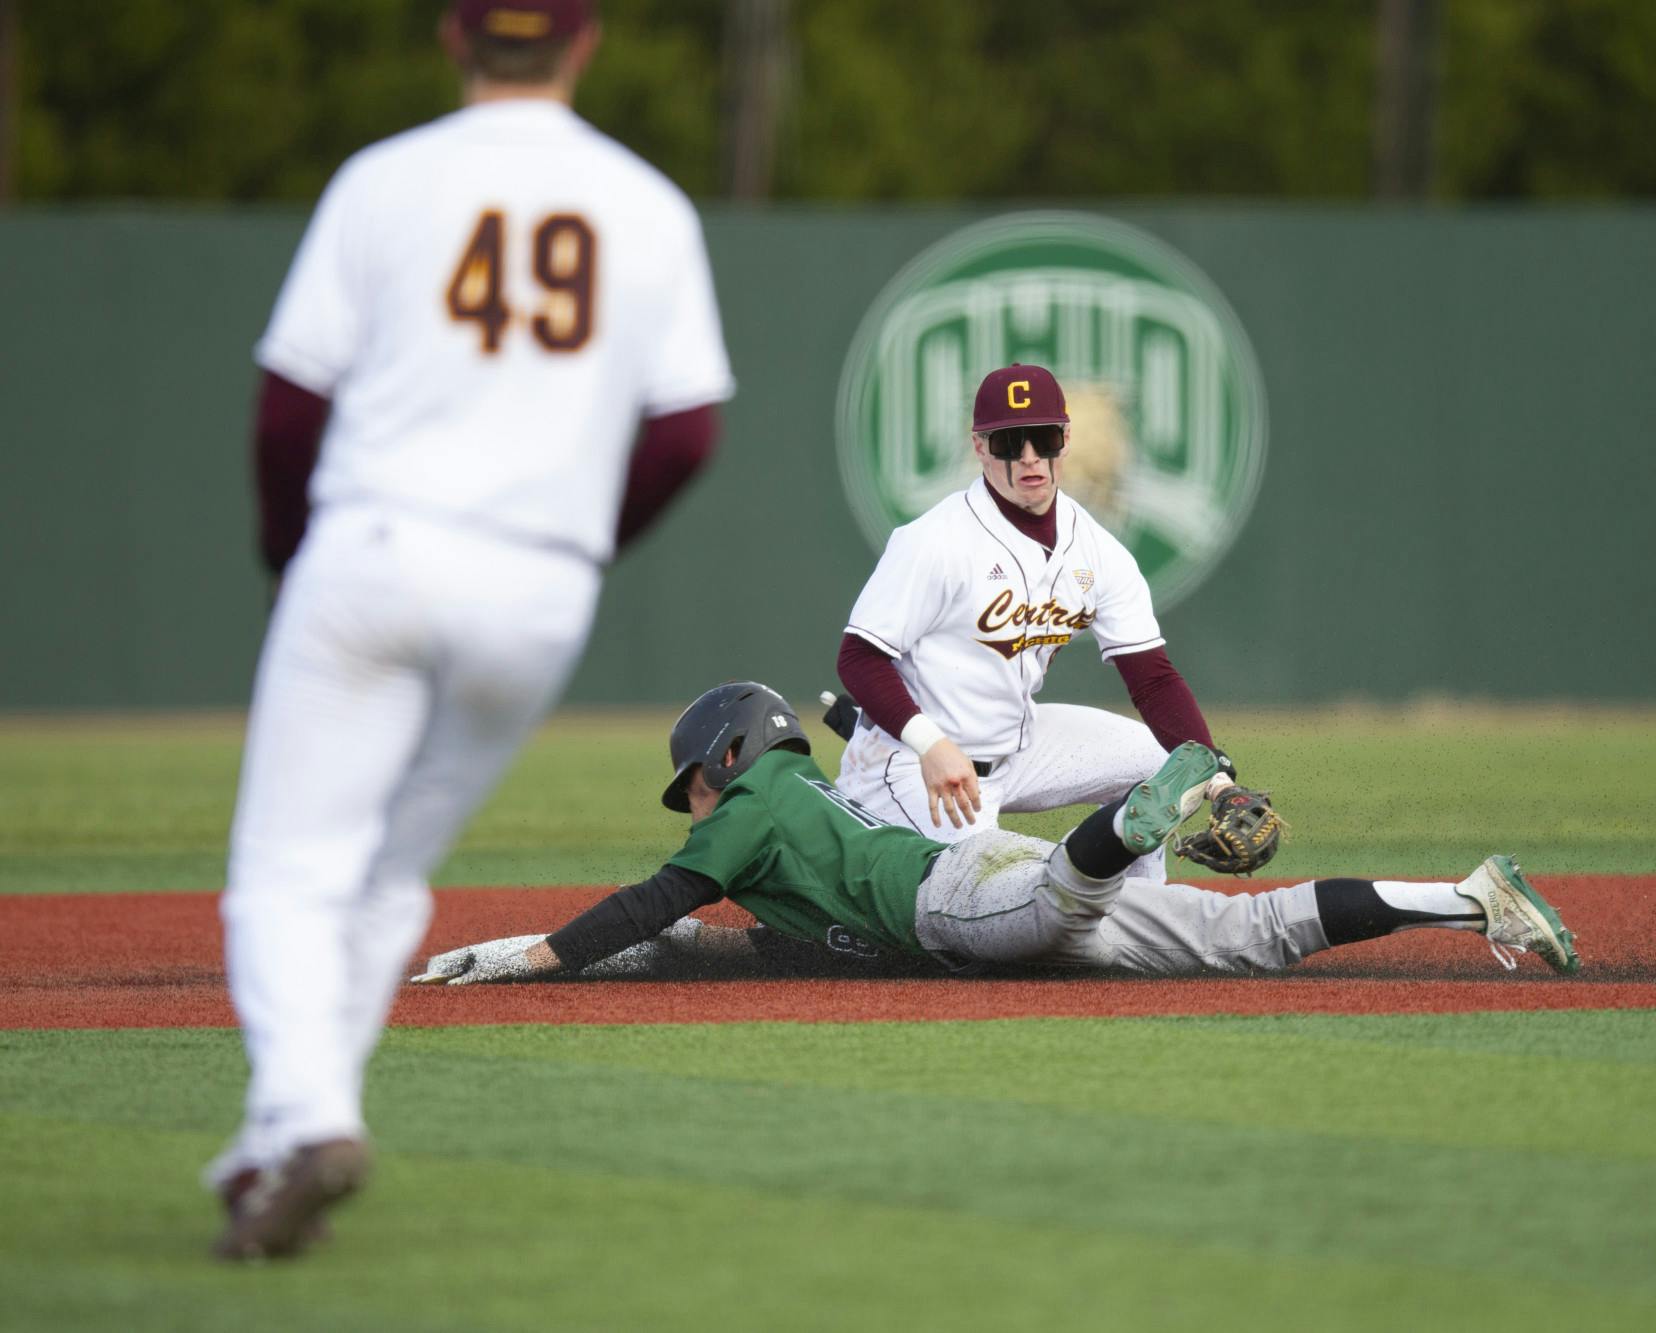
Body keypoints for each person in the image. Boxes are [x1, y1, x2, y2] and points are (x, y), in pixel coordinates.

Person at [208, 0, 735, 1262]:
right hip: (534, 588)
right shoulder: (646, 204)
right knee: (386, 873)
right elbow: (686, 431)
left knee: (289, 867)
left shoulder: (385, 180)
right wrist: (576, 540)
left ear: (454, 37)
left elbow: (290, 410)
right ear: (584, 40)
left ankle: (307, 1110)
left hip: (378, 548)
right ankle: (275, 1139)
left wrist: (293, 558)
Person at [410, 682, 1581, 989]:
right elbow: (718, 946)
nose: (693, 809)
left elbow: (653, 907)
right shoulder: (803, 815)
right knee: (1248, 935)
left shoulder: (757, 808)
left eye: (692, 788)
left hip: (960, 896)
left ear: (725, 756)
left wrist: (535, 956)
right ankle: (1474, 894)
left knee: (1030, 915)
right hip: (973, 882)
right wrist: (547, 945)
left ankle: (1131, 812)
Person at [832, 363, 1223, 879]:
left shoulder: (1097, 550)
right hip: (913, 762)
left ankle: (1141, 905)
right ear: (979, 448)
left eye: (1042, 439)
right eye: (1009, 443)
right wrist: (929, 742)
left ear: (1064, 438)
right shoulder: (933, 541)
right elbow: (859, 658)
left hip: (1017, 748)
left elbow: (1152, 679)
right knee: (990, 907)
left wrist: (1218, 781)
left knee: (1167, 767)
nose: (1029, 458)